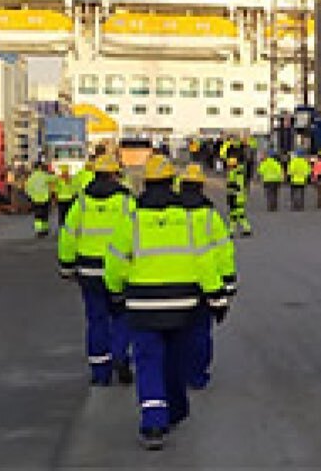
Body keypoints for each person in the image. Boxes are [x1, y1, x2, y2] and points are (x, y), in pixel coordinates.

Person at [104, 155, 227, 451]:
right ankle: (174, 409)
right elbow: (205, 262)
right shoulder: (187, 221)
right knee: (174, 362)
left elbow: (115, 263)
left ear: (145, 184)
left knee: (147, 363)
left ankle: (153, 422)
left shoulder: (131, 221)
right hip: (184, 306)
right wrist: (217, 298)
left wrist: (116, 292)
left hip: (143, 308)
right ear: (173, 183)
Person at [58, 154, 136, 386]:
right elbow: (137, 236)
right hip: (119, 270)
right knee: (122, 316)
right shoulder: (126, 202)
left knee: (96, 319)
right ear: (115, 174)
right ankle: (120, 354)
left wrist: (66, 265)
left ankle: (100, 373)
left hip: (88, 270)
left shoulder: (82, 201)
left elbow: (68, 235)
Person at [178, 164, 236, 390]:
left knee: (179, 333)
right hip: (206, 283)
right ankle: (197, 375)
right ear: (201, 187)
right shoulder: (210, 216)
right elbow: (224, 251)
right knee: (200, 331)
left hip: (177, 281)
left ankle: (180, 371)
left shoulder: (172, 214)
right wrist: (228, 284)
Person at [25, 161, 54, 238]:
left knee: (37, 217)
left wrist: (30, 197)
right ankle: (45, 230)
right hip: (44, 199)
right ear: (40, 167)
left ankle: (39, 231)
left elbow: (27, 189)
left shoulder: (31, 178)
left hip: (35, 200)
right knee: (45, 215)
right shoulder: (44, 175)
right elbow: (54, 179)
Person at [226, 157, 252, 236]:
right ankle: (236, 230)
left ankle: (237, 230)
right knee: (235, 214)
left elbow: (238, 185)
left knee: (237, 214)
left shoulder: (237, 173)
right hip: (235, 195)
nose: (228, 167)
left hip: (237, 196)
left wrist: (231, 186)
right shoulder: (235, 172)